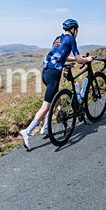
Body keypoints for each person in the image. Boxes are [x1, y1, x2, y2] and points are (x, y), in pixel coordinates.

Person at [20, 19, 93, 150]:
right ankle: (28, 131)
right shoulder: (71, 39)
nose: (77, 33)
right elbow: (79, 60)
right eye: (77, 30)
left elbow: (60, 56)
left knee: (57, 100)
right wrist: (87, 59)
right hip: (54, 74)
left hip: (46, 71)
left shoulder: (58, 39)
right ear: (73, 29)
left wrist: (76, 58)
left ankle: (46, 127)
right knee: (46, 106)